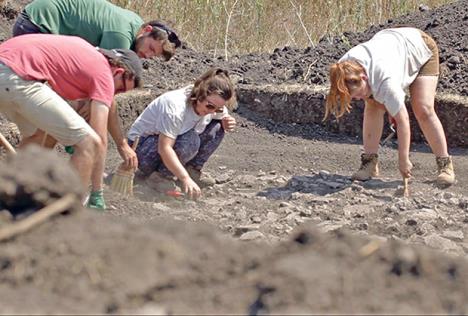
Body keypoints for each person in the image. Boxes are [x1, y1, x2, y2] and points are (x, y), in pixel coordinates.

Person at [0, 34, 143, 209]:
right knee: (89, 143)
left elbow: (54, 107)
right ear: (119, 71)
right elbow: (100, 139)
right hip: (15, 78)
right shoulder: (105, 74)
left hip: (9, 72)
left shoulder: (84, 53)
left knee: (36, 136)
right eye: (120, 88)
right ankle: (70, 212)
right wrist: (97, 192)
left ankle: (11, 196)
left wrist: (70, 132)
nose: (114, 94)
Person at [325, 27, 455, 186]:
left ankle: (445, 165)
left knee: (423, 108)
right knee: (372, 104)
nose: (357, 99)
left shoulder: (385, 81)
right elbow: (367, 93)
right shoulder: (342, 70)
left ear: (364, 78)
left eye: (358, 94)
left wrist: (403, 160)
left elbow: (403, 121)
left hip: (419, 47)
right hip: (392, 46)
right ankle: (369, 163)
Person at [127, 68, 237, 200]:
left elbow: (221, 115)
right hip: (140, 150)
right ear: (199, 95)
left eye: (218, 108)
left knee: (217, 128)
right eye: (210, 106)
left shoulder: (212, 103)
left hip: (165, 142)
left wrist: (227, 121)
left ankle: (192, 169)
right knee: (190, 140)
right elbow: (164, 148)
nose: (213, 111)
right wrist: (184, 179)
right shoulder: (175, 107)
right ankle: (160, 177)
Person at [12, 0, 181, 60]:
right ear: (147, 30)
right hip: (38, 24)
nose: (148, 55)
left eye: (154, 55)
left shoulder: (136, 23)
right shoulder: (121, 36)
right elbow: (100, 82)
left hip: (37, 20)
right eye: (151, 48)